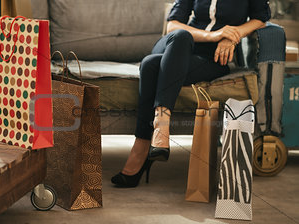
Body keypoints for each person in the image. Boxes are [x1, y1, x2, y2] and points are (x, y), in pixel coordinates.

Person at [111, 0, 271, 188]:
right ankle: (161, 127)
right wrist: (214, 35)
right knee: (181, 35)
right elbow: (173, 24)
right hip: (177, 46)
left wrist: (233, 36)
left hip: (209, 58)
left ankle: (142, 147)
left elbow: (260, 19)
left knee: (149, 65)